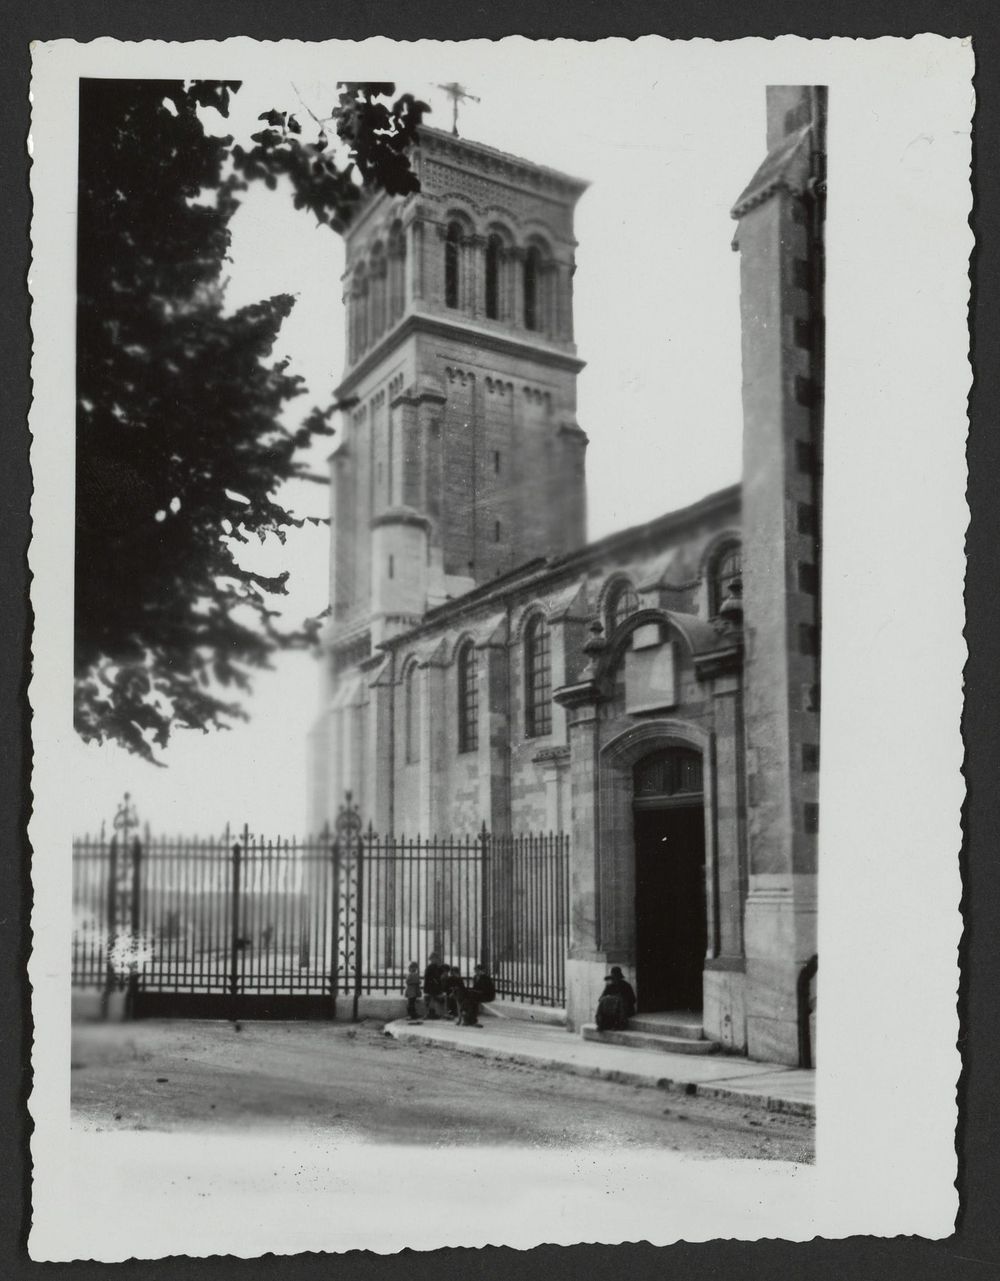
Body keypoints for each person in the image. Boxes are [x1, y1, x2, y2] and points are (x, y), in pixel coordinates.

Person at [595, 965, 637, 1031]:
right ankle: (601, 1023)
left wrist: (620, 1000)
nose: (615, 980)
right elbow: (600, 998)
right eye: (613, 978)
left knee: (618, 1001)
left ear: (619, 977)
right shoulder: (609, 986)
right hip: (610, 1010)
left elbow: (633, 1000)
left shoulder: (626, 985)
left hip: (624, 1009)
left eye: (616, 977)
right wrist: (609, 1000)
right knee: (604, 1001)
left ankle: (619, 1024)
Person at [423, 952, 445, 1019]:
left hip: (434, 986)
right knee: (431, 999)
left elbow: (440, 973)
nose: (435, 960)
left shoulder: (436, 967)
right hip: (432, 986)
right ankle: (431, 1013)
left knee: (433, 999)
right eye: (434, 959)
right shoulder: (430, 967)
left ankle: (433, 1013)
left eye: (436, 959)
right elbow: (431, 977)